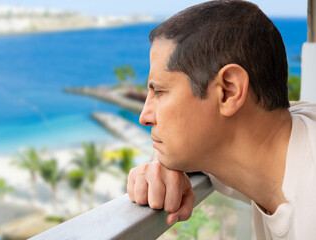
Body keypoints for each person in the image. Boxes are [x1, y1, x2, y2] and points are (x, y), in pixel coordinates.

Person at [126, 0, 316, 239]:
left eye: (160, 92)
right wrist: (161, 161)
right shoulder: (283, 132)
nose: (144, 117)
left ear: (229, 90)